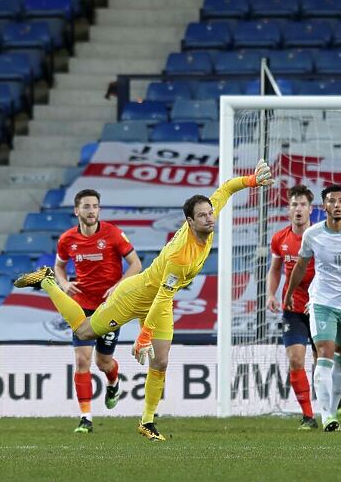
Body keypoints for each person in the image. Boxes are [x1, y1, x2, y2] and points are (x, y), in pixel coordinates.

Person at [14, 160, 274, 441]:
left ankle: (147, 422)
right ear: (190, 221)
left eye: (210, 213)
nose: (210, 218)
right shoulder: (179, 257)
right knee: (83, 331)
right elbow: (162, 296)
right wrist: (143, 337)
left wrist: (252, 181)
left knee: (160, 362)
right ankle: (47, 281)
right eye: (203, 216)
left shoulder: (207, 219)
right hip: (136, 296)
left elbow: (225, 189)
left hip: (160, 301)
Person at [55, 189, 142, 433]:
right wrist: (63, 283)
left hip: (110, 307)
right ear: (77, 211)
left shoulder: (113, 234)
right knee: (82, 360)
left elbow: (136, 264)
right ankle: (86, 419)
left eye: (95, 206)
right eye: (86, 206)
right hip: (82, 305)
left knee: (103, 362)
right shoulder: (67, 240)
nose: (91, 210)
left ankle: (113, 382)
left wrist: (118, 286)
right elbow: (59, 266)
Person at [283, 185, 341, 432]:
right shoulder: (313, 234)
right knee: (324, 354)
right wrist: (288, 293)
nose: (337, 205)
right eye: (332, 201)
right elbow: (300, 266)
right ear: (324, 206)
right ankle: (328, 416)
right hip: (322, 301)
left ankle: (334, 404)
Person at [267, 184, 319, 430]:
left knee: (324, 364)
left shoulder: (320, 236)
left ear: (311, 209)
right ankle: (308, 416)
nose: (298, 209)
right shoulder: (280, 239)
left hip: (321, 308)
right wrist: (271, 294)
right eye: (294, 205)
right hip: (293, 307)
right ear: (288, 209)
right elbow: (275, 270)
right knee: (296, 359)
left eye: (303, 205)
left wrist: (317, 299)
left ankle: (334, 405)